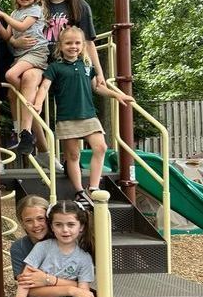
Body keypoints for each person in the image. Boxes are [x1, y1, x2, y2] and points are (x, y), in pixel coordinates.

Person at [32, 26, 133, 205]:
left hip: (88, 115)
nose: (73, 46)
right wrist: (38, 103)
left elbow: (98, 87)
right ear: (60, 46)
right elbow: (44, 87)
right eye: (69, 43)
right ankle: (79, 190)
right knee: (73, 155)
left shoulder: (87, 66)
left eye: (77, 43)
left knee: (100, 147)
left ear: (82, 46)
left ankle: (93, 187)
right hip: (67, 117)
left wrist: (117, 95)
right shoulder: (55, 68)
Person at [0, 0, 50, 156]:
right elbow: (8, 36)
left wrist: (3, 15)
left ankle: (25, 128)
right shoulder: (15, 13)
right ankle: (21, 132)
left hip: (36, 53)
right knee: (11, 94)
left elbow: (22, 26)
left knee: (10, 76)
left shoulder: (36, 10)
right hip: (21, 55)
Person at [10, 0, 102, 71]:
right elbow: (15, 30)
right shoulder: (34, 5)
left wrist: (99, 72)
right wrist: (14, 41)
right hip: (37, 61)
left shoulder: (80, 6)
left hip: (68, 66)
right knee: (28, 77)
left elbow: (88, 42)